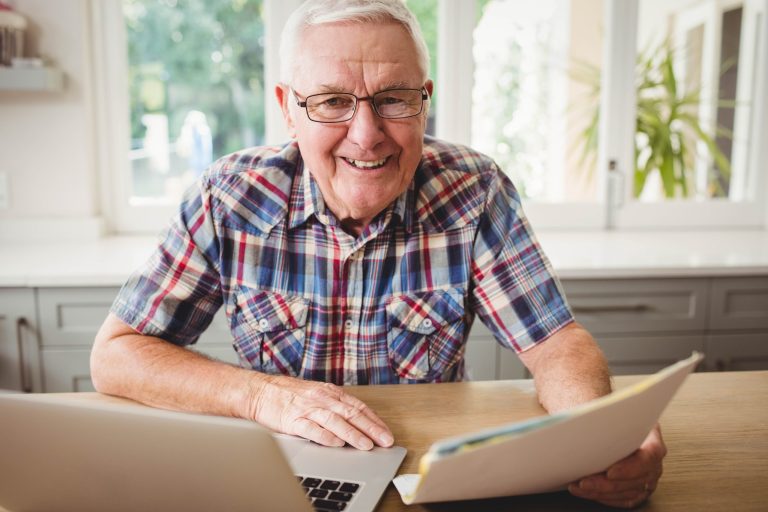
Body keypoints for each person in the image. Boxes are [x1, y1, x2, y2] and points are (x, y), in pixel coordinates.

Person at [91, 0, 666, 508]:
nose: (366, 135)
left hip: (430, 478)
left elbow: (555, 344)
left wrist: (602, 436)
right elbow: (116, 355)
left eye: (393, 99)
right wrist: (260, 395)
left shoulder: (474, 189)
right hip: (283, 478)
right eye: (333, 101)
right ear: (288, 108)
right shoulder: (229, 195)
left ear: (424, 101)